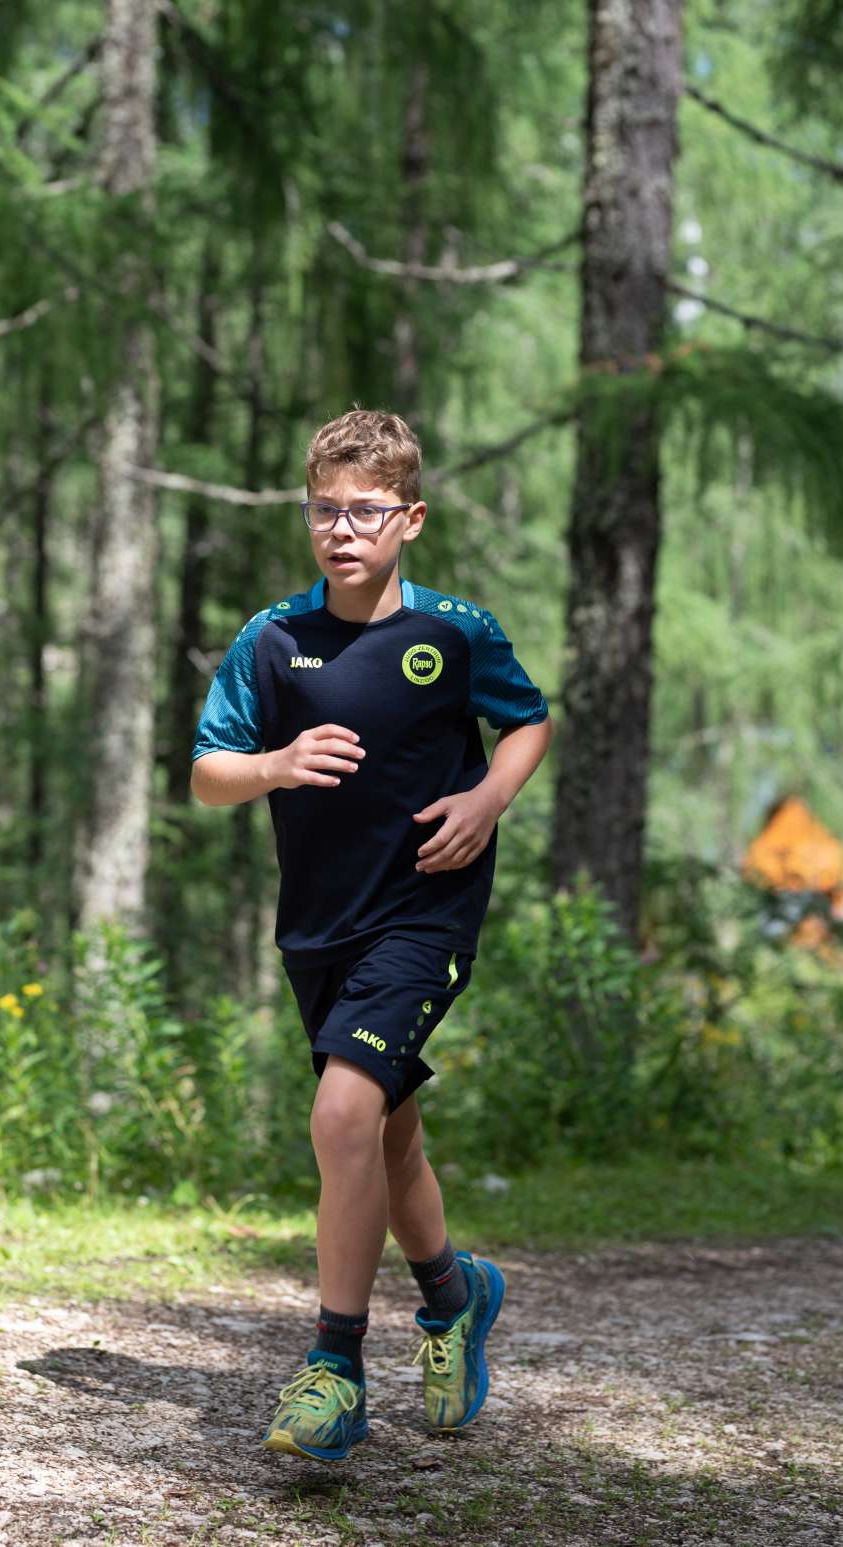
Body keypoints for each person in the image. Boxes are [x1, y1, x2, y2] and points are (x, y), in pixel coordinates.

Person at [190, 409, 553, 1462]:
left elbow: (528, 720)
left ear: (411, 519)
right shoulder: (271, 641)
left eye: (366, 511)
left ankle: (335, 1370)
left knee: (344, 1112)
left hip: (426, 910)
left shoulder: (457, 633)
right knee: (384, 1133)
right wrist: (274, 764)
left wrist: (486, 799)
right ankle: (453, 1296)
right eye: (324, 510)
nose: (342, 529)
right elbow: (209, 772)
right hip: (318, 927)